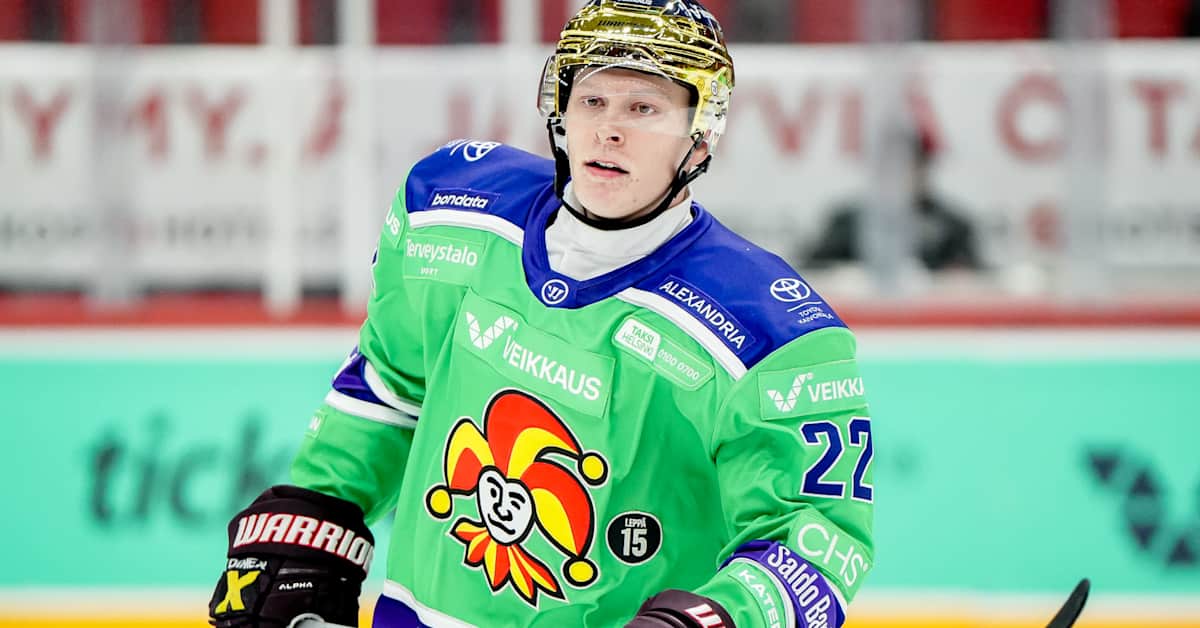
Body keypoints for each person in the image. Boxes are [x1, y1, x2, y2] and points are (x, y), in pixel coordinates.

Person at [208, 1, 873, 627]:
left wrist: (713, 618)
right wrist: (318, 510)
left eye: (644, 108)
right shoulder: (450, 215)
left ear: (699, 138)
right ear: (560, 109)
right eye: (592, 100)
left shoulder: (768, 332)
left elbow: (815, 543)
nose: (609, 128)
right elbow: (392, 381)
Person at [804, 130, 983, 273]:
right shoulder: (846, 223)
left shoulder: (954, 228)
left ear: (923, 168)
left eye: (904, 167)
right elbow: (812, 271)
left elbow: (978, 280)